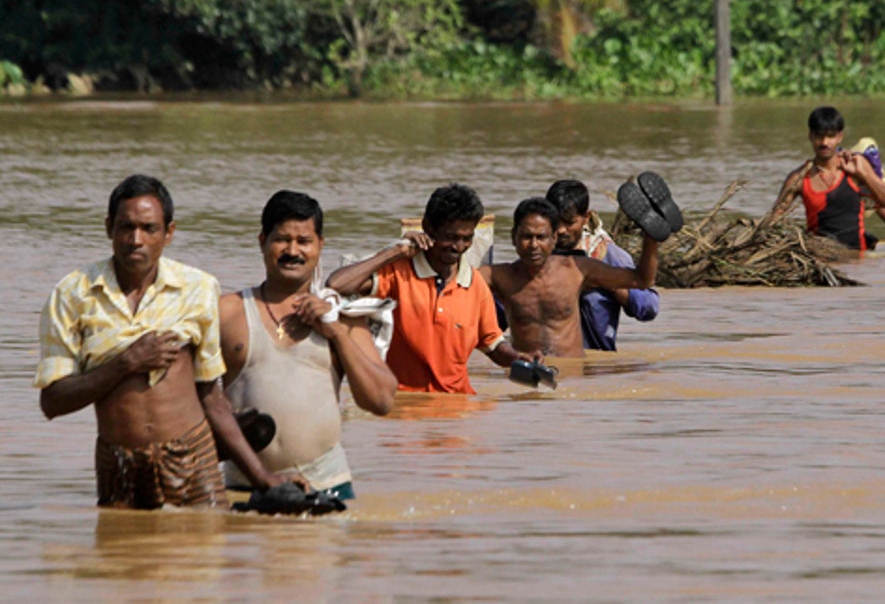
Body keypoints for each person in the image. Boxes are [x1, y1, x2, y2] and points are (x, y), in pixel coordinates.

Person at [36, 174, 287, 510]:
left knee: (202, 553)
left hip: (191, 456)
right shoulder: (73, 294)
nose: (135, 239)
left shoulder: (197, 288)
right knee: (121, 556)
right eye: (126, 227)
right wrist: (127, 363)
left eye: (149, 228)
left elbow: (211, 397)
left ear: (168, 233)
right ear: (109, 228)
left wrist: (263, 479)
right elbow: (52, 402)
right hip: (119, 464)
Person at [219, 191, 396, 501]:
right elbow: (189, 401)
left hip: (328, 488)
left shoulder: (344, 318)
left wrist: (337, 333)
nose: (292, 251)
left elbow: (381, 401)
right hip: (244, 488)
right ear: (262, 241)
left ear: (320, 246)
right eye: (282, 239)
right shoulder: (227, 312)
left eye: (304, 241)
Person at [326, 183, 534, 394]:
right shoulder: (397, 273)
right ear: (428, 228)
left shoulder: (475, 284)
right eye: (451, 237)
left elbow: (493, 345)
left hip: (458, 406)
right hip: (402, 403)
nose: (459, 247)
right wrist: (394, 251)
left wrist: (518, 358)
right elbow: (337, 285)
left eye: (467, 238)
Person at [478, 197, 660, 358]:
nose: (534, 245)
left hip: (573, 378)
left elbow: (641, 280)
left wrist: (651, 238)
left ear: (554, 238)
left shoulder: (576, 269)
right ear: (513, 238)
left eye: (541, 237)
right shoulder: (498, 276)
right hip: (527, 373)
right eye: (527, 237)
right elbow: (456, 284)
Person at [545, 179, 660, 351]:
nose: (561, 230)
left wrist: (609, 284)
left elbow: (649, 307)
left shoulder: (606, 254)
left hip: (596, 365)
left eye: (569, 222)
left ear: (586, 218)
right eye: (555, 222)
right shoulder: (538, 256)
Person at [767, 106, 885, 250]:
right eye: (819, 136)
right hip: (820, 261)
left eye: (830, 136)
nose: (824, 143)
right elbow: (774, 218)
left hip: (857, 262)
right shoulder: (798, 178)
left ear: (839, 137)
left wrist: (864, 174)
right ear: (810, 136)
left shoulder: (855, 167)